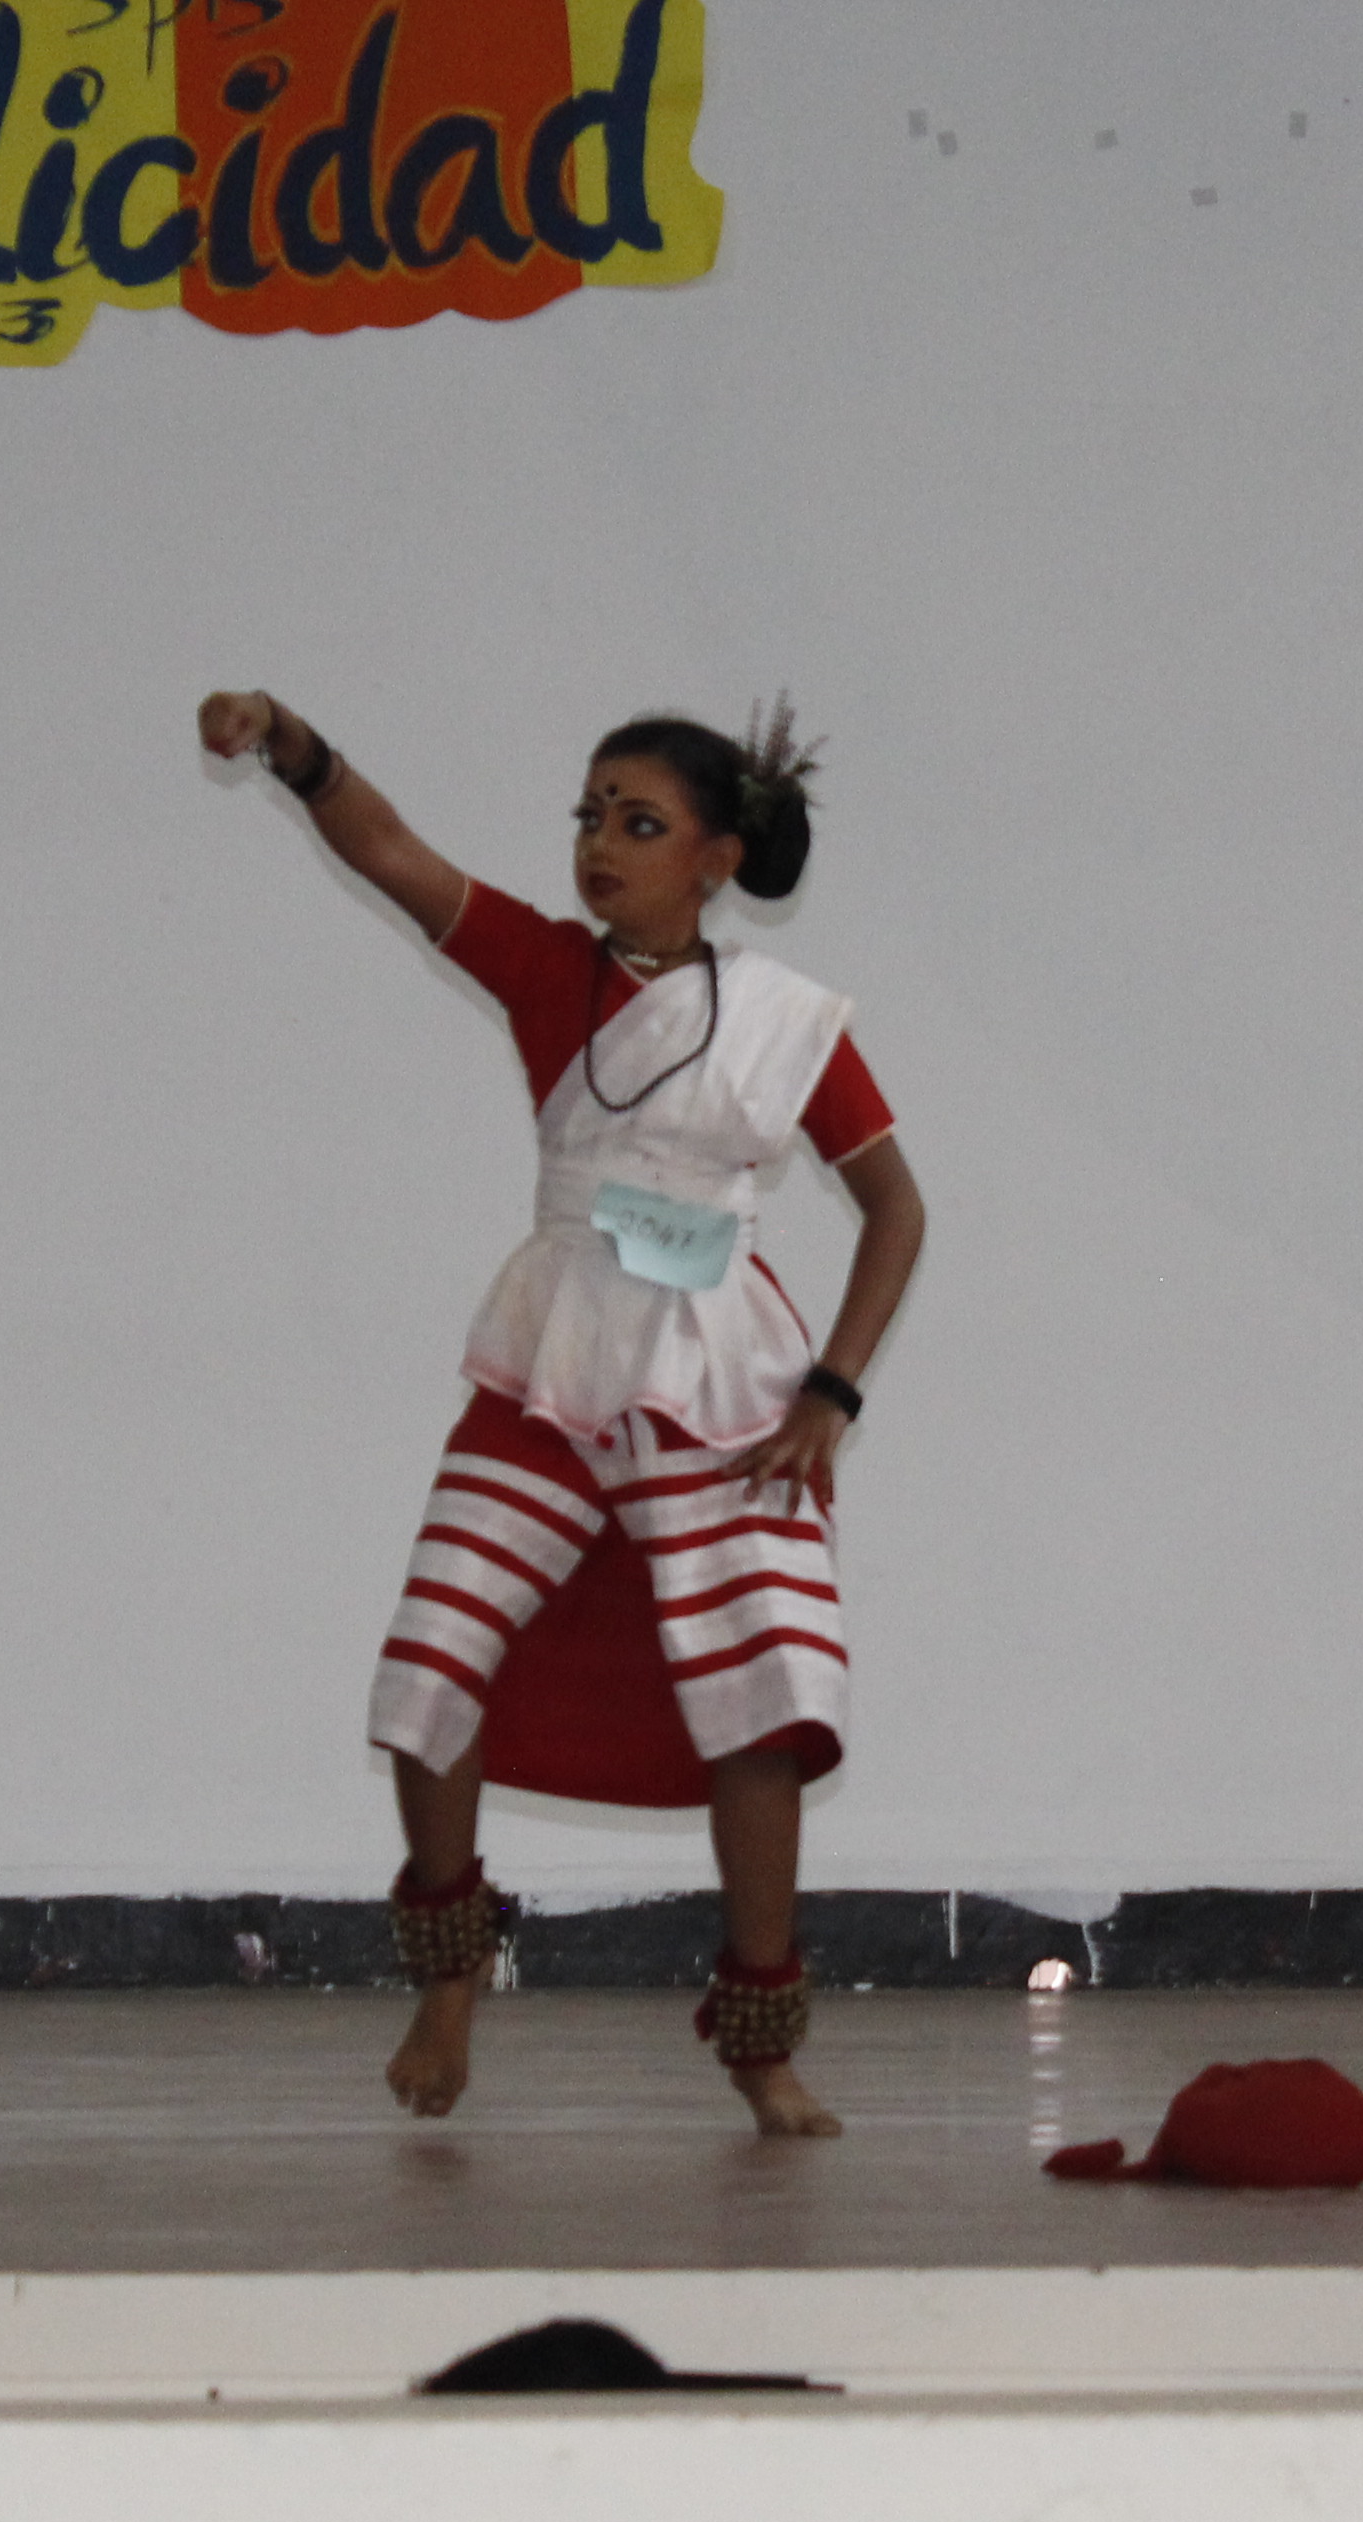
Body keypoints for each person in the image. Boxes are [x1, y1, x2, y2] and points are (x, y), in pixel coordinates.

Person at [195, 687, 929, 2138]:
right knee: (431, 1668)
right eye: (589, 815)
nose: (599, 844)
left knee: (764, 1702)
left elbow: (897, 1210)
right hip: (554, 1358)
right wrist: (292, 745)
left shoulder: (786, 1025)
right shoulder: (545, 969)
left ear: (717, 859)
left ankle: (761, 2038)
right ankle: (450, 1979)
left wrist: (832, 1391)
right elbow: (392, 853)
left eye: (639, 824)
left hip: (719, 1375)